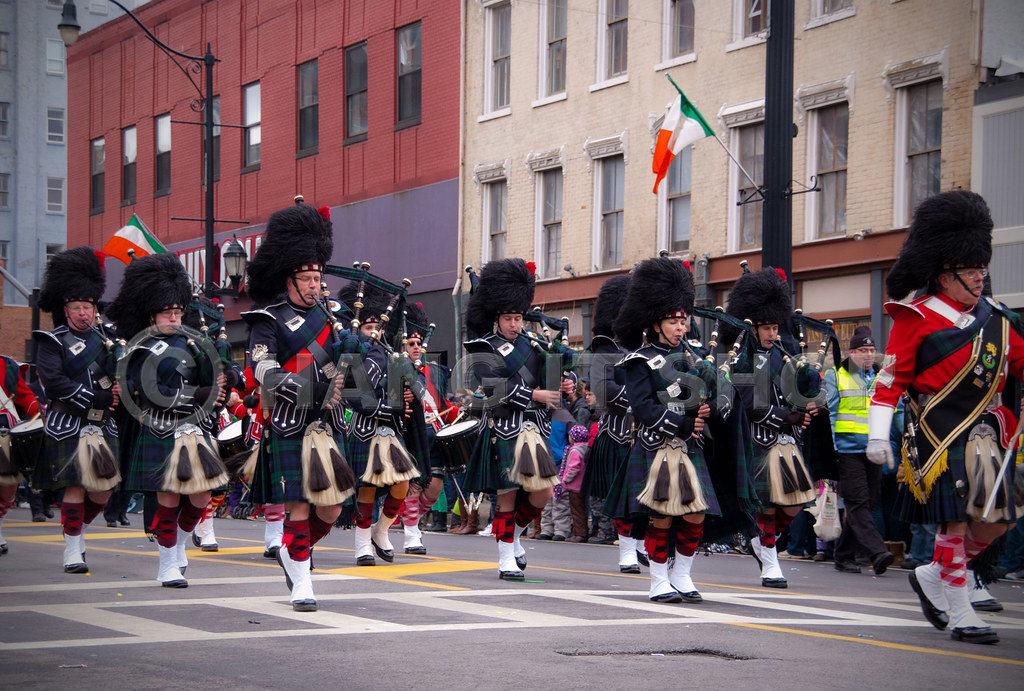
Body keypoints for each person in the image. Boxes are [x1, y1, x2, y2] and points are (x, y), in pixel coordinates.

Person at [867, 190, 1024, 645]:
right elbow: (890, 382)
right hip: (938, 436)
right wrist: (880, 435)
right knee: (953, 523)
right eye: (971, 271)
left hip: (989, 436)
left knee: (1001, 520)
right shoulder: (914, 318)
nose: (979, 279)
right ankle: (960, 611)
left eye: (982, 270)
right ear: (945, 273)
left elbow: (1018, 365)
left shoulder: (997, 320)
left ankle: (935, 573)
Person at [243, 201, 355, 611]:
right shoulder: (267, 319)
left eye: (318, 276)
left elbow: (354, 372)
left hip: (328, 425)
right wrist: (312, 389)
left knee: (331, 507)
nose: (314, 284)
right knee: (300, 503)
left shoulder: (335, 318)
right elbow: (263, 371)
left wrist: (353, 380)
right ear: (288, 278)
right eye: (307, 277)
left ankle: (294, 552)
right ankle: (303, 582)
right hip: (290, 423)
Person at [107, 253, 229, 588]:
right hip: (159, 427)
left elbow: (215, 379)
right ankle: (167, 564)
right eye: (167, 312)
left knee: (202, 497)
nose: (174, 318)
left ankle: (177, 542)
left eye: (178, 312)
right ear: (152, 314)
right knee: (169, 498)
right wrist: (201, 394)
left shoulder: (194, 342)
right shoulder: (139, 349)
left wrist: (224, 374)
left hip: (194, 429)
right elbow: (150, 390)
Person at [604, 256, 717, 603]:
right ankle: (657, 581)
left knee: (696, 512)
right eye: (672, 322)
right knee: (663, 516)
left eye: (682, 322)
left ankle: (681, 575)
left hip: (689, 447)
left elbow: (701, 396)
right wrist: (686, 420)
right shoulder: (639, 360)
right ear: (656, 324)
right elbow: (645, 408)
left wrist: (710, 406)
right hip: (656, 446)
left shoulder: (693, 358)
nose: (680, 328)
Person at [462, 258, 573, 580]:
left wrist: (564, 383)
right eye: (509, 318)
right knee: (507, 493)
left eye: (519, 317)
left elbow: (550, 382)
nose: (515, 324)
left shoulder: (534, 345)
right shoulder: (483, 346)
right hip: (504, 427)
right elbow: (492, 386)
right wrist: (533, 395)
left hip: (535, 428)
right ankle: (505, 555)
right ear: (495, 318)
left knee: (543, 493)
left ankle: (515, 535)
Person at [726, 266, 824, 589]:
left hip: (786, 441)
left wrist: (808, 396)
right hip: (759, 439)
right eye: (766, 328)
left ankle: (763, 539)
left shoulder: (785, 354)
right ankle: (769, 557)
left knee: (795, 503)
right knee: (767, 504)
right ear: (753, 327)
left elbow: (799, 391)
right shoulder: (743, 359)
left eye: (774, 327)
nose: (772, 333)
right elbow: (752, 404)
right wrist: (787, 416)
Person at [32, 247, 121, 575]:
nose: (84, 313)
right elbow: (53, 383)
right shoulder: (52, 341)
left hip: (103, 425)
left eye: (88, 306)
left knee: (103, 491)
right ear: (65, 309)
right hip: (68, 422)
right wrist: (92, 397)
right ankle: (72, 549)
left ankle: (77, 530)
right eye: (77, 307)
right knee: (75, 484)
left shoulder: (108, 341)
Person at [337, 278, 425, 566]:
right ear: (358, 329)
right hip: (364, 428)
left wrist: (411, 389)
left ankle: (381, 529)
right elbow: (357, 398)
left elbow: (416, 383)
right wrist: (392, 407)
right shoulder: (352, 354)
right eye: (368, 327)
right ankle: (362, 544)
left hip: (390, 431)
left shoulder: (392, 353)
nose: (374, 331)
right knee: (367, 487)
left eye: (377, 326)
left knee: (402, 483)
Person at [823, 326, 898, 575]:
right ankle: (876, 551)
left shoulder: (880, 377)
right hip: (846, 450)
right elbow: (828, 414)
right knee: (858, 502)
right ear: (851, 352)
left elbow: (892, 413)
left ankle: (844, 555)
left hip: (873, 449)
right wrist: (831, 447)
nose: (868, 355)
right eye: (862, 350)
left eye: (872, 350)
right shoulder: (836, 376)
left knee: (868, 501)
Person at [582, 276, 644, 566]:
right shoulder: (605, 347)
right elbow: (604, 389)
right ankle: (627, 549)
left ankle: (643, 543)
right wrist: (641, 401)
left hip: (649, 431)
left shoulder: (647, 348)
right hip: (619, 432)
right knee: (623, 497)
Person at [0, 352, 42, 555]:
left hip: (5, 432)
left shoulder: (6, 365)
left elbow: (25, 396)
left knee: (9, 485)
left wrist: (39, 413)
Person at [562, 425, 590, 542]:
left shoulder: (574, 450)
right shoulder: (586, 447)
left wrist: (565, 480)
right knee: (583, 509)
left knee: (576, 510)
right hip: (584, 484)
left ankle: (579, 534)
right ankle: (583, 531)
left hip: (574, 485)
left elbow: (573, 468)